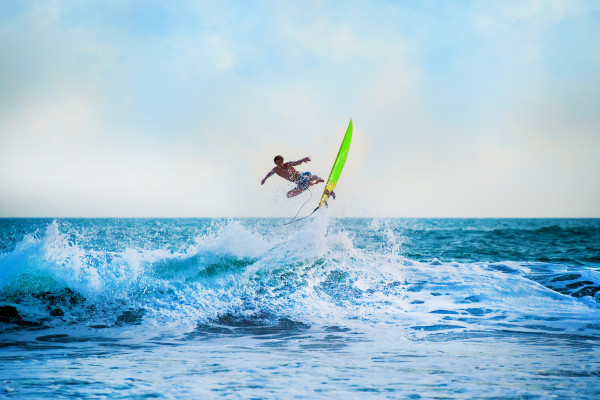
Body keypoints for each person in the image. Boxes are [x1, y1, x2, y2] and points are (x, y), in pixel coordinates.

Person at [261, 155, 335, 199]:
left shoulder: (288, 164)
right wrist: (264, 179)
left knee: (310, 178)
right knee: (288, 195)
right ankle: (308, 187)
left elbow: (296, 162)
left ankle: (320, 180)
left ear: (283, 161)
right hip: (299, 183)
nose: (281, 164)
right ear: (275, 164)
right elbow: (269, 174)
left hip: (302, 176)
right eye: (278, 163)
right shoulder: (275, 170)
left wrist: (303, 160)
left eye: (281, 162)